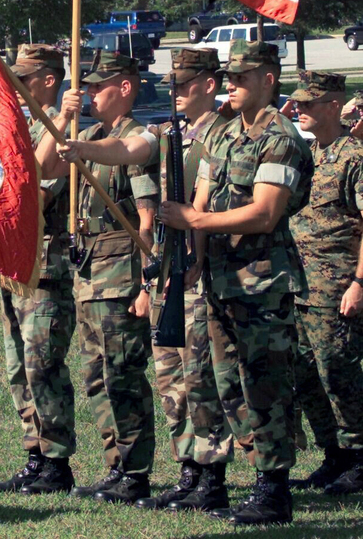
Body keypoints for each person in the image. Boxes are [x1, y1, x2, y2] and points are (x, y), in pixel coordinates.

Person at [59, 47, 236, 513]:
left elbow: (136, 183)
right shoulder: (166, 133)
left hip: (205, 268)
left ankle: (210, 474)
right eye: (172, 84)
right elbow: (126, 153)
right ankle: (188, 472)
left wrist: (141, 281)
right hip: (169, 270)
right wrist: (80, 144)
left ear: (209, 84)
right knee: (171, 378)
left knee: (200, 378)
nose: (174, 91)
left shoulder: (219, 134)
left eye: (182, 84)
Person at [158, 40, 313, 525]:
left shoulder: (280, 136)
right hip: (221, 282)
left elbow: (265, 214)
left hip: (262, 284)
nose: (232, 84)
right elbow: (202, 198)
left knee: (265, 386)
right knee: (227, 387)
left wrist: (194, 224)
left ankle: (274, 489)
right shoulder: (225, 136)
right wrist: (193, 258)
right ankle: (236, 480)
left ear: (269, 78)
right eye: (229, 76)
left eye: (242, 77)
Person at [36, 51, 159, 505]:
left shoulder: (138, 136)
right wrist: (64, 122)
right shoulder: (87, 134)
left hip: (121, 273)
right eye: (84, 87)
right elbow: (43, 169)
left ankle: (134, 470)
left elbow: (146, 219)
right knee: (97, 375)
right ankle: (116, 466)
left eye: (96, 87)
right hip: (88, 272)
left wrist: (148, 284)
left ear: (124, 88)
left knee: (122, 373)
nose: (88, 93)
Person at [0, 45, 77, 495]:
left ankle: (58, 462)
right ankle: (35, 455)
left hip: (47, 269)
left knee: (43, 367)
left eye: (25, 78)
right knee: (17, 369)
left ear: (48, 80)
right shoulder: (18, 127)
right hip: (14, 265)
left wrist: (58, 123)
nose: (17, 87)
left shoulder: (64, 127)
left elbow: (36, 189)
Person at [288, 71, 363, 494]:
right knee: (303, 374)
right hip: (300, 285)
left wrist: (359, 283)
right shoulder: (308, 154)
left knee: (338, 371)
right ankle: (333, 454)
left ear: (333, 106)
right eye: (298, 102)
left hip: (336, 287)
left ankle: (358, 454)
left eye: (309, 103)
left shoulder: (354, 157)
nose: (300, 108)